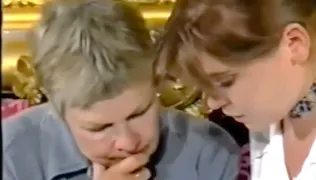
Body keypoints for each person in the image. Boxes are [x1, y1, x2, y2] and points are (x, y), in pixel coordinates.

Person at [2, 0, 240, 180]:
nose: (127, 142)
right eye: (100, 128)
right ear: (56, 109)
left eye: (139, 113)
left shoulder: (209, 151)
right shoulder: (10, 156)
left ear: (156, 81)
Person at [155, 0, 316, 179]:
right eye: (204, 87)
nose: (213, 103)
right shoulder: (260, 124)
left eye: (225, 82)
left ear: (294, 44)